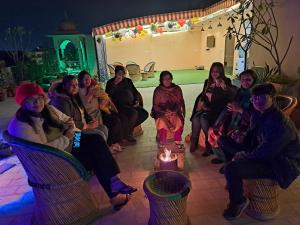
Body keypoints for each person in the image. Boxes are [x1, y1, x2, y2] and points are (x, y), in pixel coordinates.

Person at [8, 83, 137, 210]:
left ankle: (114, 182)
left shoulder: (49, 109)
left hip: (71, 143)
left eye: (39, 98)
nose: (37, 102)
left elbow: (68, 120)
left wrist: (72, 131)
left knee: (96, 139)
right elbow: (43, 152)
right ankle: (113, 190)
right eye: (31, 99)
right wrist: (67, 137)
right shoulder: (23, 125)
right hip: (61, 158)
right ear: (22, 102)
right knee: (96, 155)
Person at [222, 83, 300, 220]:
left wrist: (244, 155)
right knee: (224, 140)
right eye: (254, 98)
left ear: (272, 98)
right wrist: (242, 136)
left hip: (279, 163)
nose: (258, 102)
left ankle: (238, 202)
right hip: (263, 152)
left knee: (231, 169)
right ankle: (235, 180)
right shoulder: (259, 113)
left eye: (262, 98)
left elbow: (266, 153)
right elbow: (254, 136)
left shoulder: (280, 123)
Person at [208, 69, 258, 167]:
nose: (245, 82)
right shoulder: (240, 92)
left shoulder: (256, 96)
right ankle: (223, 158)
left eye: (248, 80)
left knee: (229, 136)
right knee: (215, 130)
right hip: (234, 121)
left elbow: (255, 118)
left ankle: (230, 163)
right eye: (243, 80)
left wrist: (239, 110)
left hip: (248, 127)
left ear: (254, 81)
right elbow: (231, 105)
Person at [190, 62, 234, 155]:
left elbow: (230, 96)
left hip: (219, 109)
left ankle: (208, 143)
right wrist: (203, 104)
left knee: (203, 118)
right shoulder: (208, 81)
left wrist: (224, 87)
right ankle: (194, 140)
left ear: (221, 72)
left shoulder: (226, 81)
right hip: (209, 107)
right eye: (213, 71)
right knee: (196, 117)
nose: (214, 73)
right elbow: (203, 95)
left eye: (217, 72)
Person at [49, 75, 108, 141]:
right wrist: (88, 126)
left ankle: (105, 148)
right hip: (76, 134)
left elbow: (84, 111)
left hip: (83, 126)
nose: (75, 87)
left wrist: (91, 120)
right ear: (64, 86)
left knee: (103, 128)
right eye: (72, 85)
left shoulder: (74, 95)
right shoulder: (62, 101)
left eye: (76, 85)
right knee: (99, 134)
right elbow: (68, 123)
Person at [77, 71, 123, 152]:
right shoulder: (79, 91)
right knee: (113, 122)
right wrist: (91, 93)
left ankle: (111, 144)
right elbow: (86, 104)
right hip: (89, 118)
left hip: (99, 112)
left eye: (89, 78)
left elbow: (104, 96)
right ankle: (107, 146)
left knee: (117, 119)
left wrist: (104, 102)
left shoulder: (92, 87)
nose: (88, 80)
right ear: (80, 80)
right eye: (85, 79)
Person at [106, 65, 149, 143]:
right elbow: (108, 95)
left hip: (131, 104)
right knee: (134, 113)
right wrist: (115, 84)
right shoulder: (111, 82)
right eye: (119, 73)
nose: (121, 75)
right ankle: (127, 134)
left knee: (144, 114)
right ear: (115, 73)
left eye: (123, 73)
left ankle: (127, 130)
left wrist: (136, 100)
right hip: (119, 106)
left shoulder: (128, 81)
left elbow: (135, 91)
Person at [151, 71, 185, 149]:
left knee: (178, 121)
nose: (167, 81)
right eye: (165, 79)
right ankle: (162, 141)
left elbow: (180, 102)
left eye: (169, 78)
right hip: (161, 113)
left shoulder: (177, 89)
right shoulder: (158, 90)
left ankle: (177, 141)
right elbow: (155, 106)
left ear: (171, 79)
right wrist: (164, 112)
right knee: (162, 123)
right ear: (161, 80)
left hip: (174, 111)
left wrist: (174, 111)